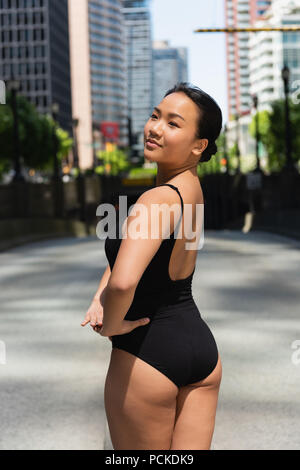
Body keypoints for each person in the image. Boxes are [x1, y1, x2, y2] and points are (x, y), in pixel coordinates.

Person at [81, 82, 223, 450]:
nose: (156, 128)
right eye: (155, 116)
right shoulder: (190, 189)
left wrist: (112, 325)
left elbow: (125, 282)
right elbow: (141, 259)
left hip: (146, 353)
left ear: (199, 145)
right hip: (200, 352)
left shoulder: (156, 198)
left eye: (174, 124)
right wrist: (100, 294)